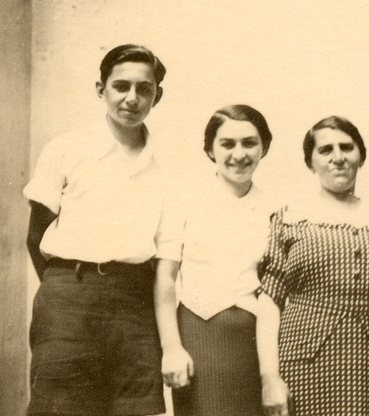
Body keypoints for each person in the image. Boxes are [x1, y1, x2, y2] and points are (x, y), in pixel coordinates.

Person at [24, 44, 167, 416]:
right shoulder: (66, 148)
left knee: (136, 407)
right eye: (121, 86)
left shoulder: (167, 164)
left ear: (158, 95)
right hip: (69, 297)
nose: (132, 98)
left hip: (136, 302)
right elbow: (35, 234)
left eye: (144, 89)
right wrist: (69, 288)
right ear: (100, 90)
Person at [256, 116, 369, 416]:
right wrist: (270, 378)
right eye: (325, 150)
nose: (338, 158)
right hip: (305, 367)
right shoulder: (291, 219)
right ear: (311, 162)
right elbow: (269, 302)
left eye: (347, 147)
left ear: (361, 156)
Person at [154, 104, 275, 416]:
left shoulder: (276, 209)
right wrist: (172, 347)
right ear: (210, 150)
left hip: (255, 340)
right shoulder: (184, 200)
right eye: (227, 144)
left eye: (250, 143)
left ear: (265, 147)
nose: (239, 154)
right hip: (198, 334)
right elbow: (165, 278)